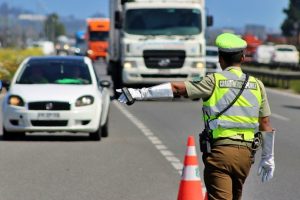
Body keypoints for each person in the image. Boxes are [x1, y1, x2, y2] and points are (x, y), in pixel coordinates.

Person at [117, 33, 275, 200]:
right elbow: (265, 123)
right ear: (243, 58)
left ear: (220, 58)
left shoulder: (213, 81)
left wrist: (138, 93)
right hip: (245, 156)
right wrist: (268, 157)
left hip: (221, 153)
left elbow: (178, 89)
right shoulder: (257, 85)